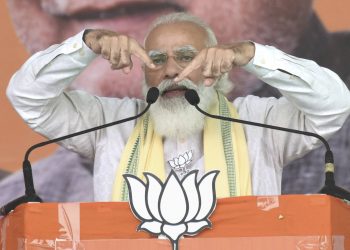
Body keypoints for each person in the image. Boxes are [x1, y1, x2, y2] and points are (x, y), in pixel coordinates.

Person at [2, 0, 350, 205]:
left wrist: (254, 55)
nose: (170, 70)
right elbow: (29, 98)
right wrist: (84, 47)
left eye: (186, 56)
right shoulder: (111, 126)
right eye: (156, 59)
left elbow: (331, 106)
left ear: (217, 63)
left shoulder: (259, 125)